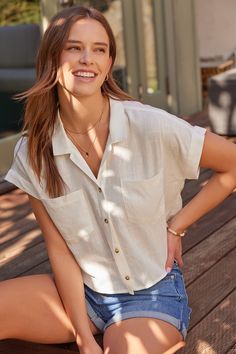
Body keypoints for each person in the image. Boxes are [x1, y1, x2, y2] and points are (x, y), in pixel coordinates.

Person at [1, 5, 236, 354]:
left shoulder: (149, 125)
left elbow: (231, 165)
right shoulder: (34, 150)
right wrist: (82, 335)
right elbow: (59, 249)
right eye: (74, 47)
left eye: (99, 50)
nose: (87, 59)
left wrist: (177, 227)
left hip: (150, 294)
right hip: (81, 292)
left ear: (109, 63)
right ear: (53, 57)